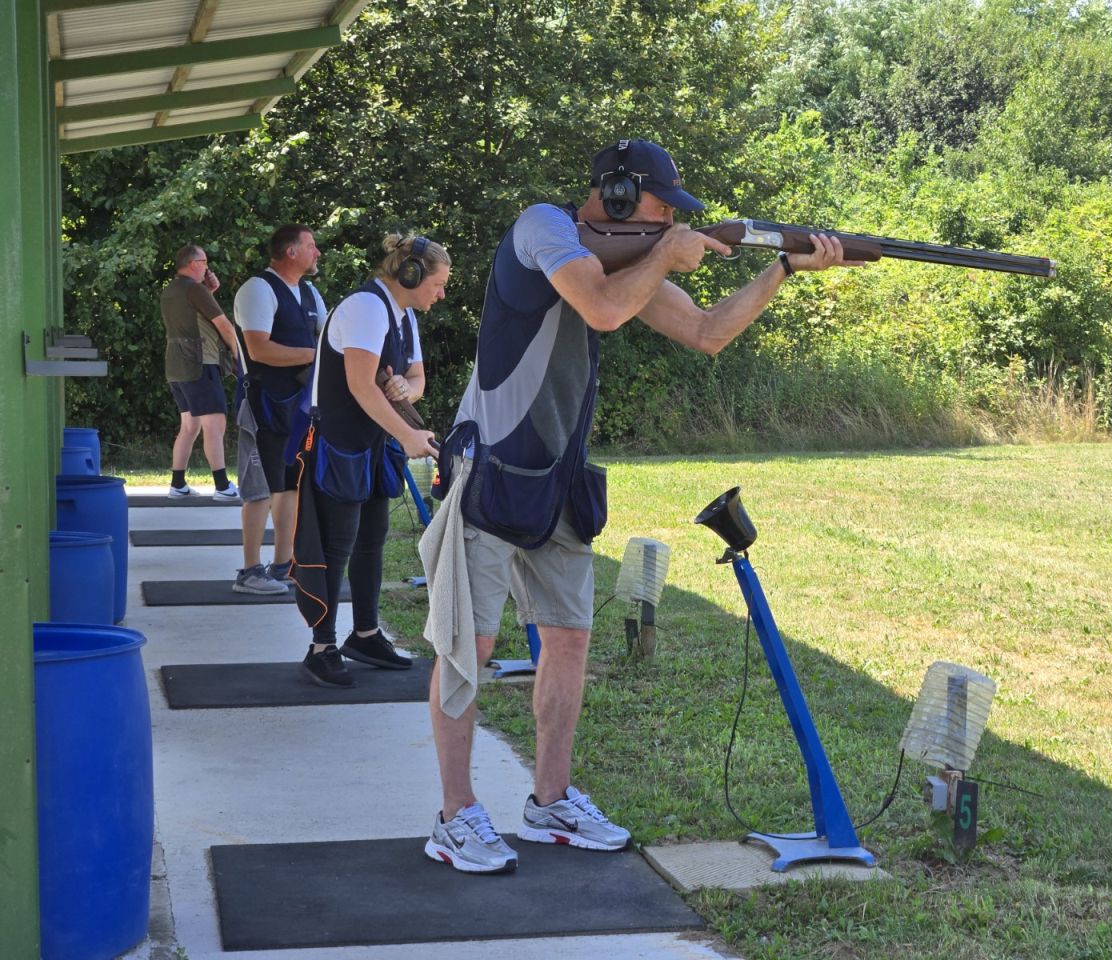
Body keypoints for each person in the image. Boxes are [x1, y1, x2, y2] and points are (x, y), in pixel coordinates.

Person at [422, 138, 863, 874]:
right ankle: (455, 816)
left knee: (568, 638)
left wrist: (782, 266)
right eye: (662, 209)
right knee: (471, 648)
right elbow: (597, 308)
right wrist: (664, 254)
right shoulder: (542, 227)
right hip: (494, 469)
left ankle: (551, 801)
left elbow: (706, 331)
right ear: (619, 197)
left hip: (558, 479)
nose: (670, 223)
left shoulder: (626, 262)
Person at [294, 233, 443, 687]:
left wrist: (406, 391)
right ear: (411, 274)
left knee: (372, 538)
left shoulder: (402, 315)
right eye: (438, 283)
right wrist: (409, 434)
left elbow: (416, 379)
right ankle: (321, 647)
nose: (441, 293)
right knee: (335, 546)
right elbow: (360, 386)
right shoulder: (365, 308)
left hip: (374, 443)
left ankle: (365, 633)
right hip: (340, 441)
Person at [232, 224, 326, 596]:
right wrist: (315, 357)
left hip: (298, 410)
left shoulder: (309, 292)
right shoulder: (258, 289)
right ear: (291, 251)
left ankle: (282, 564)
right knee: (258, 489)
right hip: (263, 407)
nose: (317, 252)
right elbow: (259, 350)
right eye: (311, 246)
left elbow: (326, 340)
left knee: (289, 485)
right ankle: (249, 571)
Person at [161, 244, 240, 501]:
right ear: (192, 263)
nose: (207, 267)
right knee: (214, 424)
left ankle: (178, 484)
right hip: (200, 364)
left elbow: (194, 315)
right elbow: (224, 326)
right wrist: (239, 354)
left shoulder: (171, 291)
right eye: (204, 262)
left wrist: (210, 292)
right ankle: (222, 486)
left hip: (176, 366)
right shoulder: (195, 289)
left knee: (189, 425)